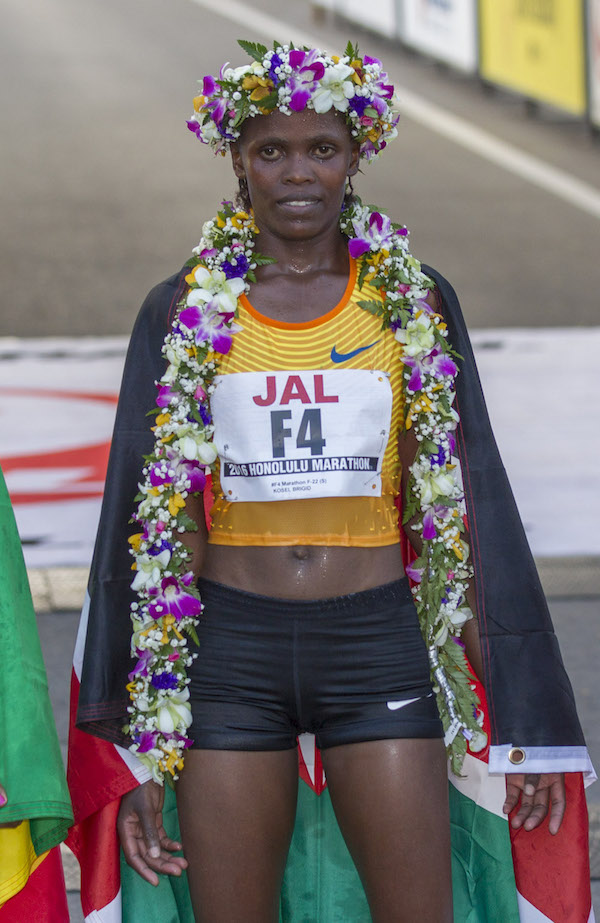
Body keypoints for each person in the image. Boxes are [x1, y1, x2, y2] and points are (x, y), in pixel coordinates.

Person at [71, 41, 594, 922]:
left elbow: (474, 508)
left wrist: (527, 718)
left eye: (323, 148)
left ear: (358, 155)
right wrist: (137, 749)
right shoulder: (182, 309)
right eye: (272, 151)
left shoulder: (412, 302)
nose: (298, 173)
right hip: (228, 654)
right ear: (238, 159)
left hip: (377, 643)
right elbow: (146, 525)